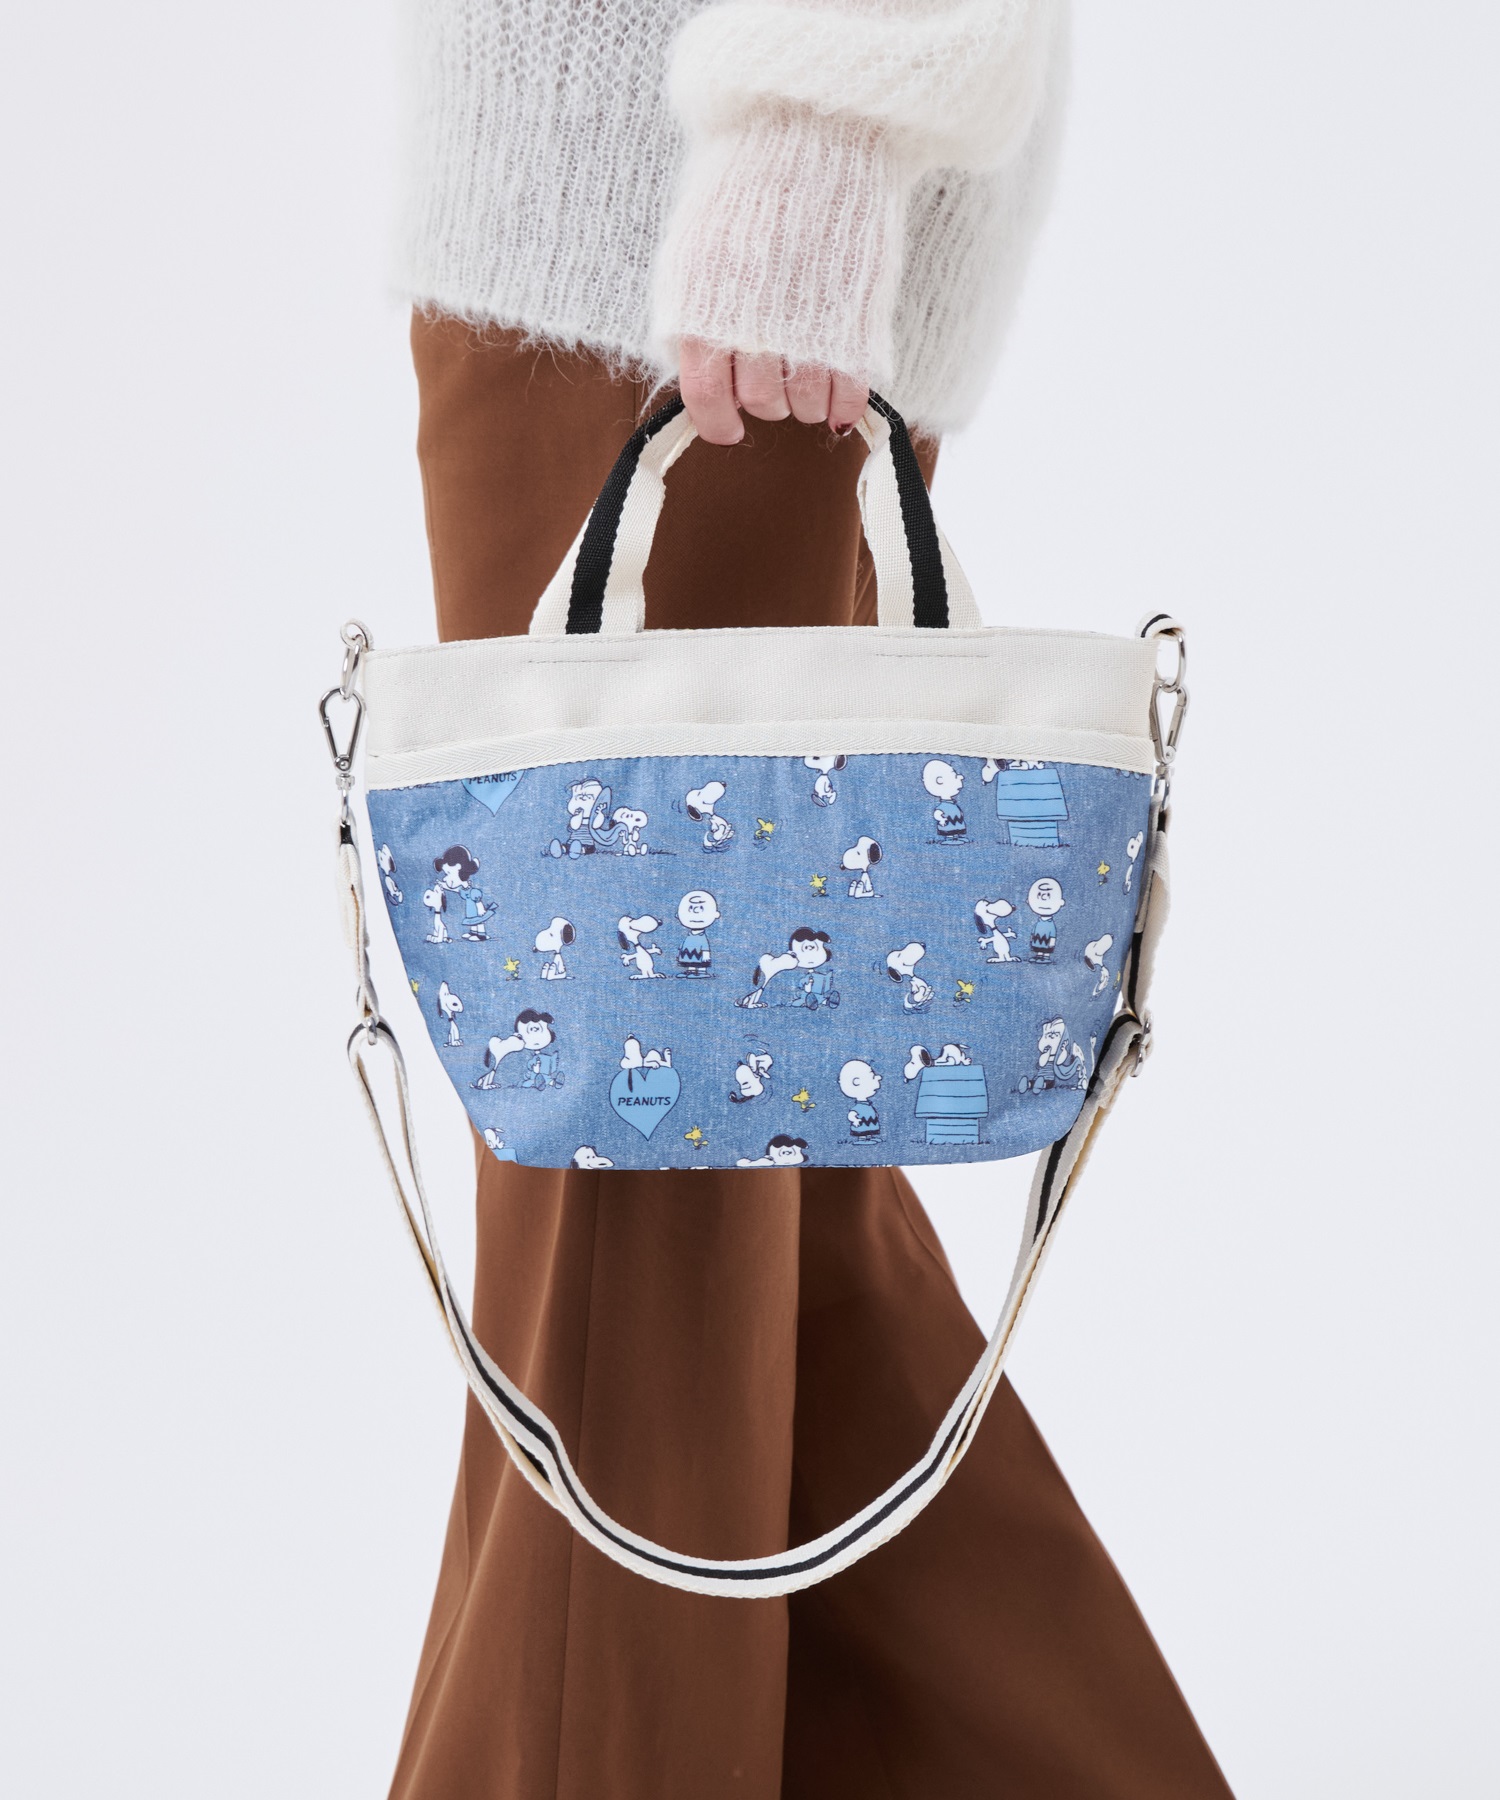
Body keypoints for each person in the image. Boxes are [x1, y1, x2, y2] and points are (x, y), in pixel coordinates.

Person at [386, 2, 1235, 1796]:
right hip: (635, 211)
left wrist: (812, 133)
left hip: (670, 230)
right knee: (754, 1243)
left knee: (627, 1280)